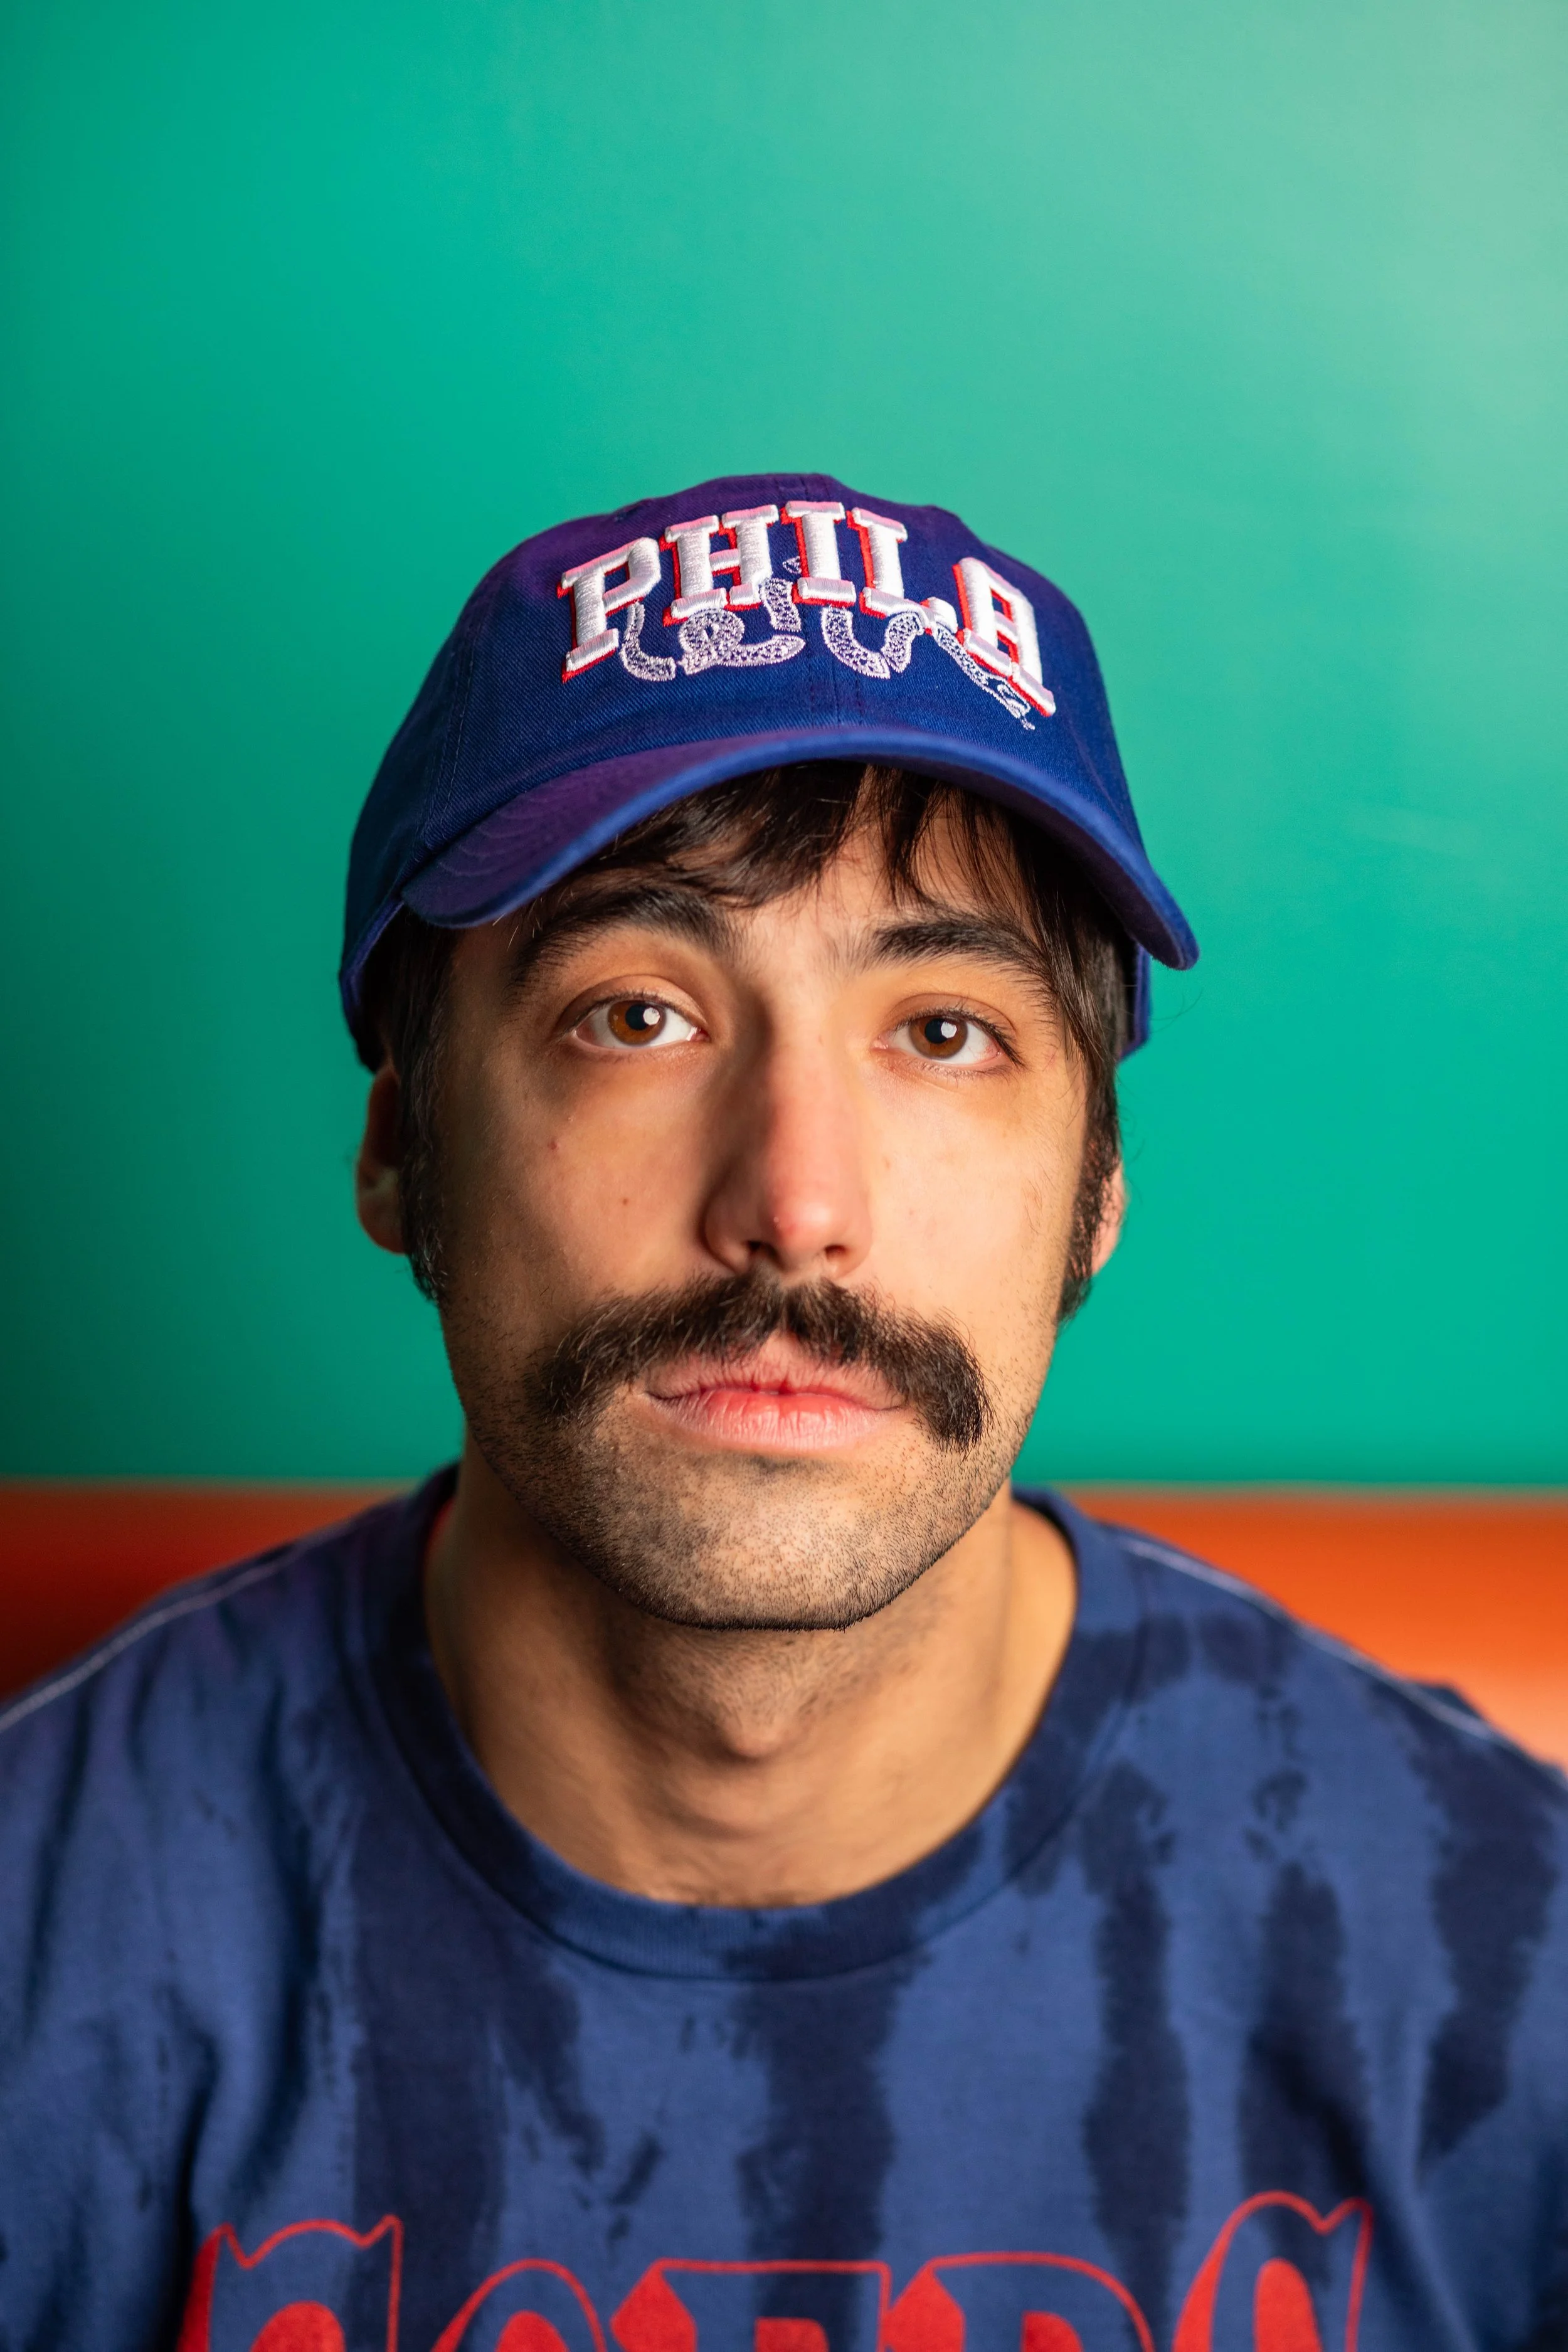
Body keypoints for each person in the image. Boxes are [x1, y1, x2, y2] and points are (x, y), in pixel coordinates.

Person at [1, 475, 1564, 2352]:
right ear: (404, 1142)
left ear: (1096, 1194)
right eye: (635, 1013)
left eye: (942, 1031)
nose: (795, 1199)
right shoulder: (48, 1947)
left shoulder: (1501, 1966)